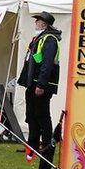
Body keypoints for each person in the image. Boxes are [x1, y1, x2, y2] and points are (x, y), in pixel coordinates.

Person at [16, 11, 61, 156]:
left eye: (38, 21)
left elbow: (47, 64)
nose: (35, 23)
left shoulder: (49, 40)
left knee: (42, 114)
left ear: (44, 23)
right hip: (32, 83)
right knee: (31, 114)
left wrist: (41, 85)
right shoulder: (39, 38)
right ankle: (33, 144)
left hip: (40, 85)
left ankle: (47, 144)